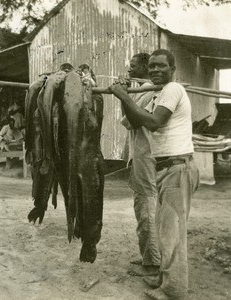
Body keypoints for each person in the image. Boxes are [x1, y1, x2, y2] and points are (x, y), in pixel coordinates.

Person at [109, 49, 199, 300]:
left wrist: (123, 96)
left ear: (173, 70)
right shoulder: (158, 92)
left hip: (177, 169)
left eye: (161, 66)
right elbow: (136, 120)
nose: (155, 70)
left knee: (172, 235)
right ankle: (166, 279)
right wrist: (124, 97)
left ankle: (173, 291)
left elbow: (154, 122)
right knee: (164, 231)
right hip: (168, 168)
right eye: (152, 67)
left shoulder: (172, 89)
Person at [121, 53, 161, 277]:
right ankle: (148, 255)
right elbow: (127, 117)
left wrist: (123, 95)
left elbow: (129, 121)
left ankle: (153, 263)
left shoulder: (147, 90)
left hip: (147, 155)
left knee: (146, 207)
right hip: (140, 154)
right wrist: (124, 95)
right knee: (141, 206)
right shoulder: (140, 90)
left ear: (144, 67)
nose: (129, 70)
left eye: (133, 66)